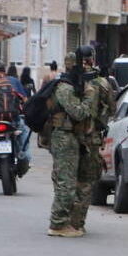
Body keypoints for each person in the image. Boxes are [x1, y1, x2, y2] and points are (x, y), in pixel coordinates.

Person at [69, 46, 115, 235]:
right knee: (86, 181)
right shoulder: (102, 83)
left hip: (67, 136)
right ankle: (77, 222)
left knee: (66, 179)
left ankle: (63, 217)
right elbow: (112, 109)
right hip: (91, 137)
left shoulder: (66, 80)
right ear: (93, 59)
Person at [46, 52, 90, 237]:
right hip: (64, 136)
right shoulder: (64, 87)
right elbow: (78, 113)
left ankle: (61, 222)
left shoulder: (69, 85)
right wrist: (88, 98)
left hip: (69, 136)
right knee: (66, 182)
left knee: (67, 180)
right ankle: (57, 224)